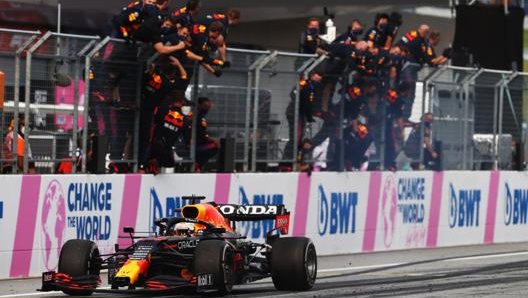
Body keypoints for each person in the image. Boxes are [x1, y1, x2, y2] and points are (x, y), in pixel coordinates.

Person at [282, 71, 323, 170]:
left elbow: (311, 103)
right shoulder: (303, 84)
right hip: (294, 112)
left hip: (302, 114)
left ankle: (295, 159)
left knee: (300, 137)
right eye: (317, 76)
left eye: (320, 78)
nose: (318, 79)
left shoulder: (314, 88)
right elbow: (293, 94)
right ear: (312, 75)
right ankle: (286, 161)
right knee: (296, 137)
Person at [149, 89, 190, 174]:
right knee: (170, 163)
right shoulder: (185, 119)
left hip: (153, 141)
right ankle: (154, 164)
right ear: (182, 102)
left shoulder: (163, 109)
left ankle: (151, 165)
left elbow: (154, 120)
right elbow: (187, 137)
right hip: (166, 147)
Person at [194, 97, 220, 172]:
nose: (207, 108)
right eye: (205, 106)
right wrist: (211, 139)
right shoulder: (197, 116)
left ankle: (198, 164)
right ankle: (198, 164)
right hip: (195, 144)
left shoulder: (202, 117)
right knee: (215, 145)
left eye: (208, 107)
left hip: (199, 142)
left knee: (216, 144)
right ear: (199, 105)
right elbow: (202, 135)